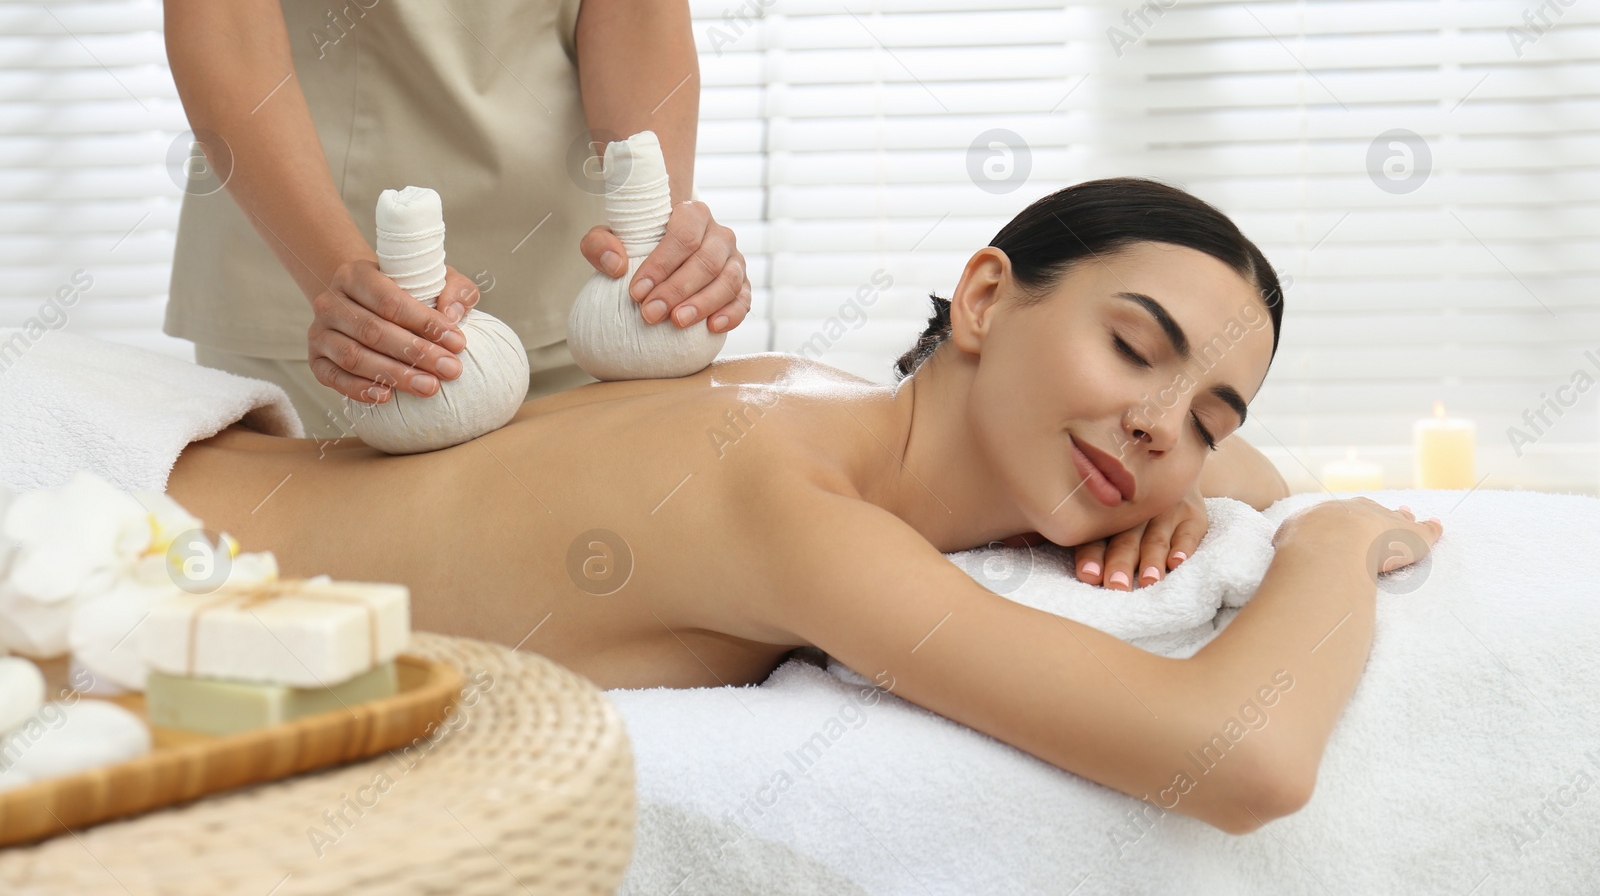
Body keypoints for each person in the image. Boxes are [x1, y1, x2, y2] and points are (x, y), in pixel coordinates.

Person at [164, 179, 1443, 834]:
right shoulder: (798, 502)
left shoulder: (811, 393)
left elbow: (1239, 471)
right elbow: (1245, 764)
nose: (1167, 423)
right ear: (986, 298)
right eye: (1133, 347)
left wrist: (1180, 482)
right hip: (123, 554)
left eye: (1209, 413)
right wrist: (1334, 541)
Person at [127, 0, 753, 440]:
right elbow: (225, 22)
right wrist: (340, 282)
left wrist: (659, 242)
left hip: (583, 287)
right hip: (322, 295)